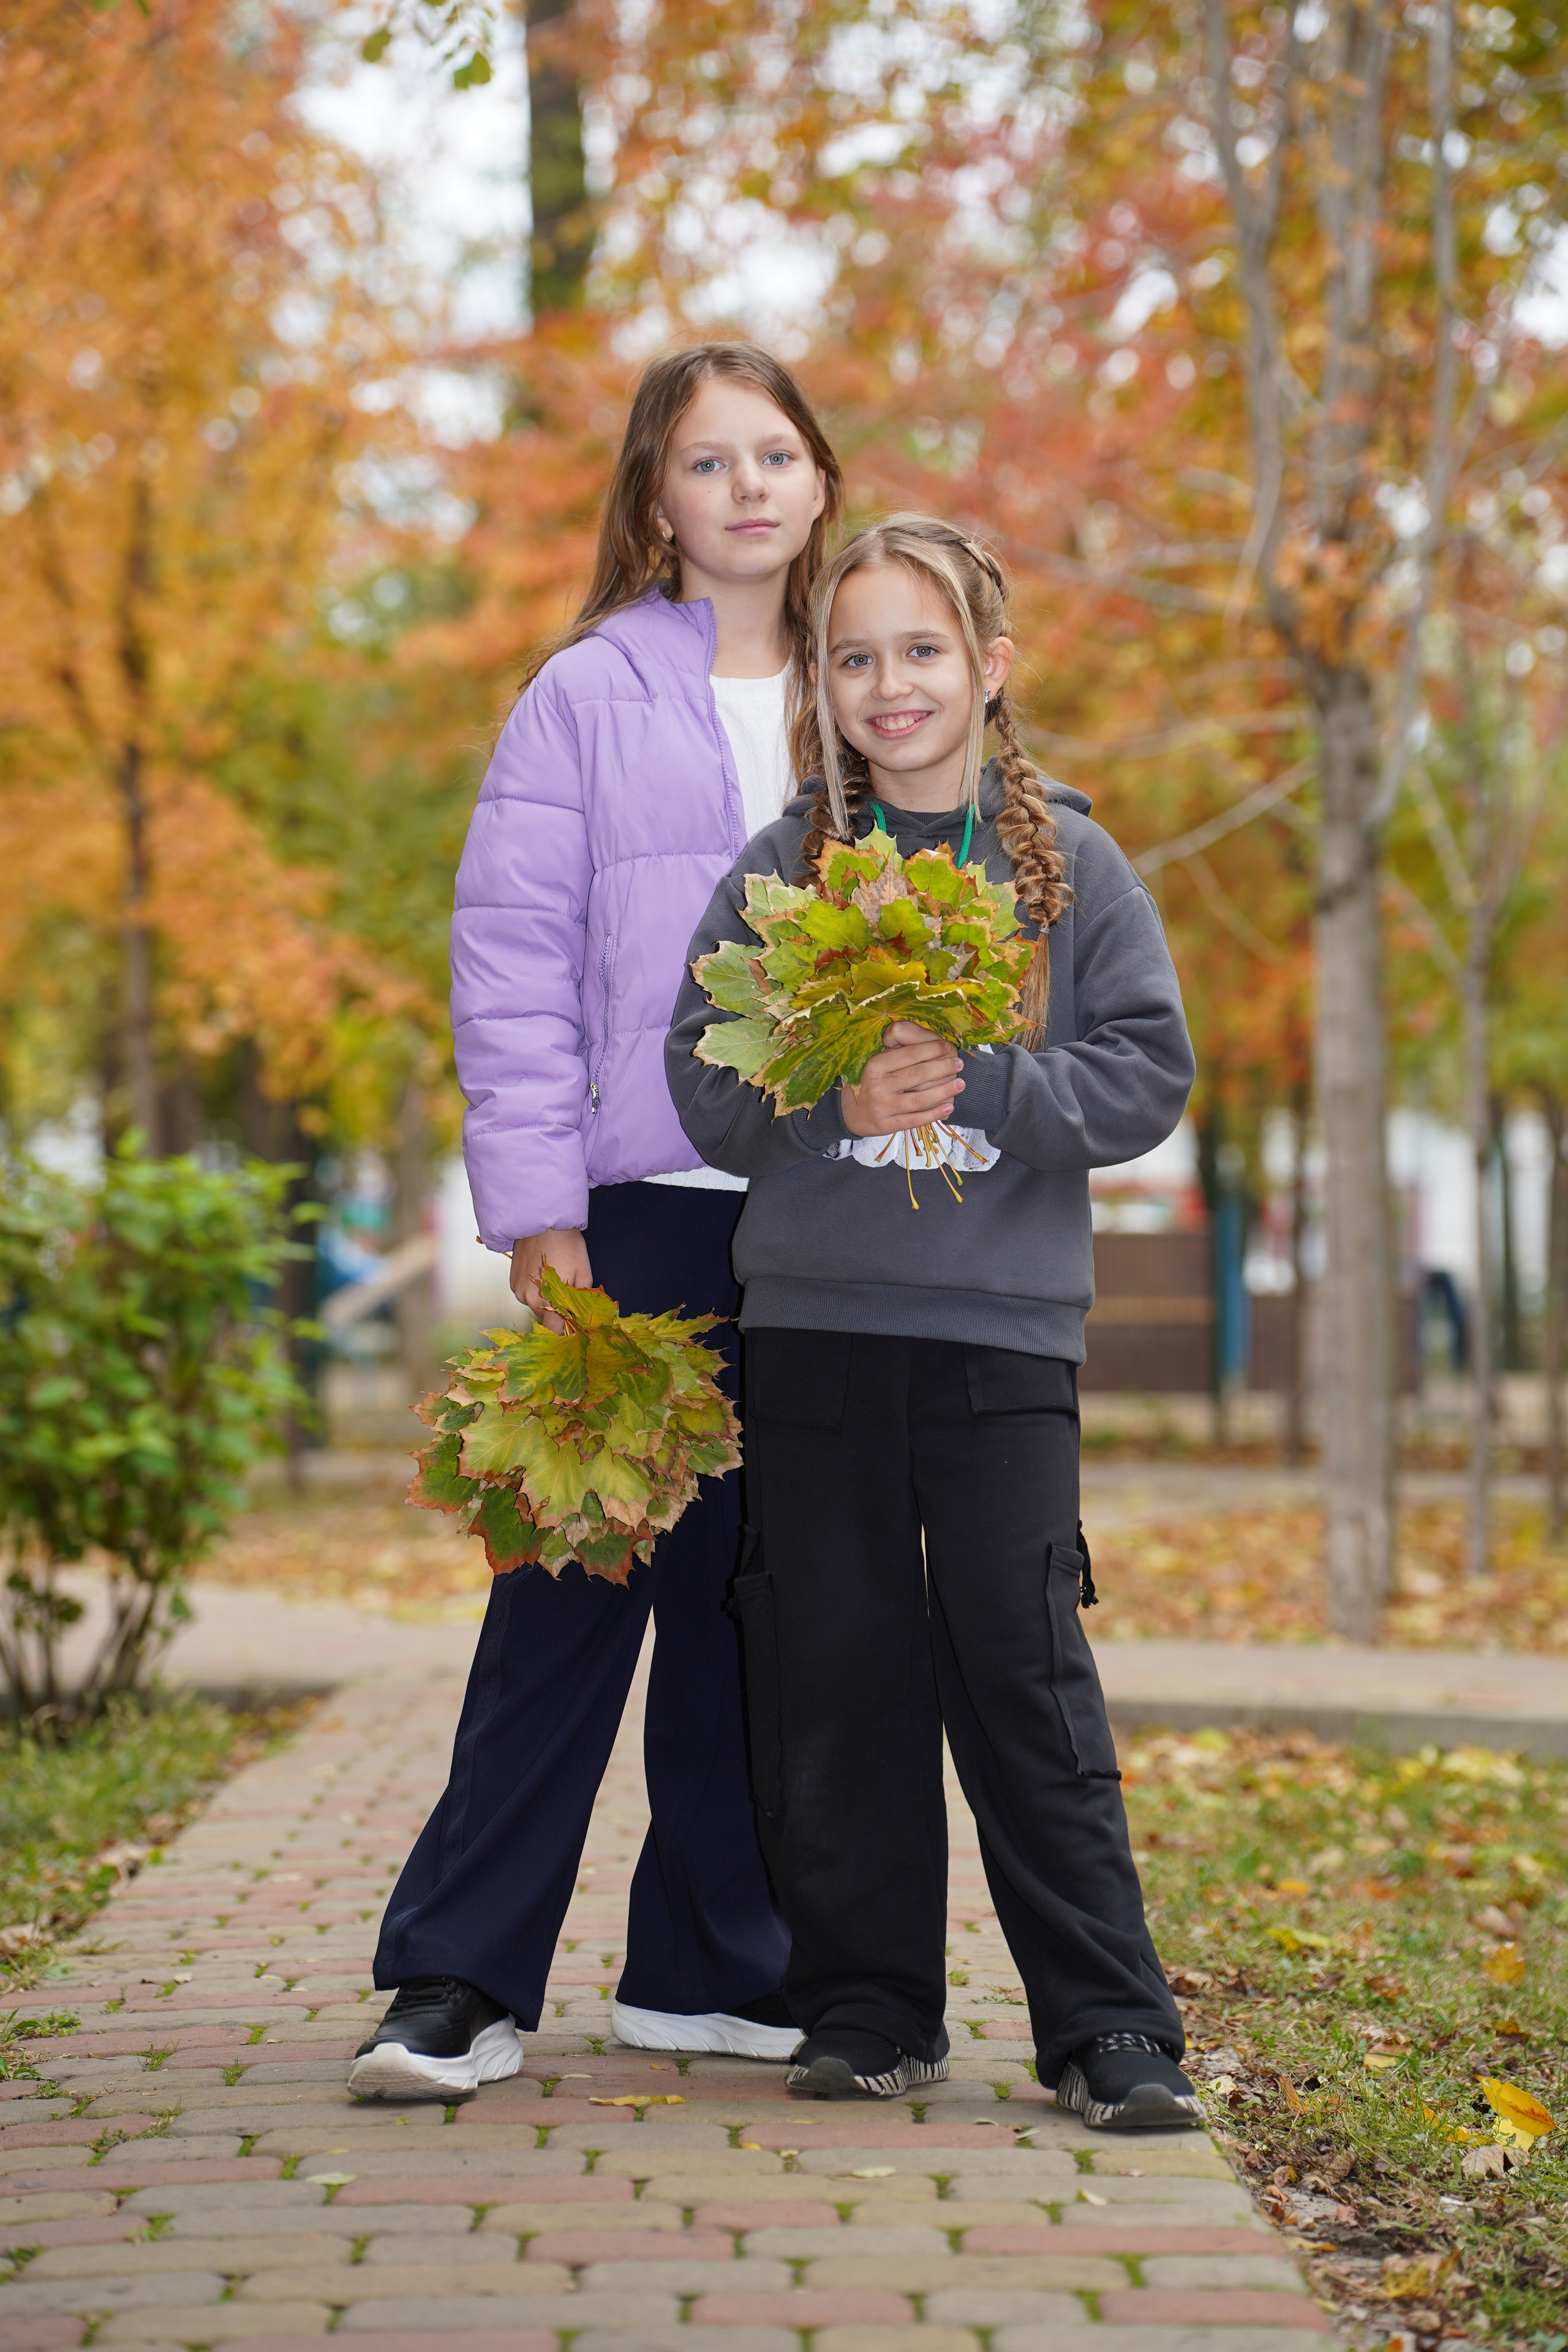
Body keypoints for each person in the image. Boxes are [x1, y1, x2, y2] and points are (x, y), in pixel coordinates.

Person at [665, 515, 1203, 2129]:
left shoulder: (1069, 869)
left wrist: (992, 1083)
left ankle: (1110, 2031)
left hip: (1001, 1346)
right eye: (852, 657)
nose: (888, 685)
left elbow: (1146, 1072)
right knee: (832, 1672)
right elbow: (706, 1084)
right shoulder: (781, 873)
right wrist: (831, 1093)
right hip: (819, 1335)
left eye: (920, 651)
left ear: (989, 670)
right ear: (819, 686)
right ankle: (869, 2007)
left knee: (1023, 1672)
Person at [352, 343, 843, 2101]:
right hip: (633, 1207)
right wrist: (538, 1204)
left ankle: (711, 1967)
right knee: (568, 1592)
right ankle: (458, 1981)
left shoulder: (866, 688)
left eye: (776, 455)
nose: (749, 490)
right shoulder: (582, 695)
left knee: (750, 1609)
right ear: (656, 498)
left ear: (818, 480)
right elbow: (511, 959)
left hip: (822, 1226)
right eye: (710, 463)